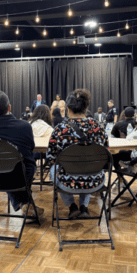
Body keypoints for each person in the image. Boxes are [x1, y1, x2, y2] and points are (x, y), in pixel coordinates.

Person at [0, 91, 43, 216]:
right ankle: (25, 204)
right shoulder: (24, 126)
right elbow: (31, 148)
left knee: (7, 166)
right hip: (20, 179)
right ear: (9, 107)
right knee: (22, 164)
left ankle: (24, 204)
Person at [46, 89, 109, 219]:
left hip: (67, 183)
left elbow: (50, 158)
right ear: (86, 108)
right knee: (89, 166)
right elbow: (105, 158)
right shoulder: (100, 129)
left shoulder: (59, 129)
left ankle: (72, 207)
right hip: (95, 181)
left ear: (67, 109)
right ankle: (84, 207)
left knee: (54, 168)